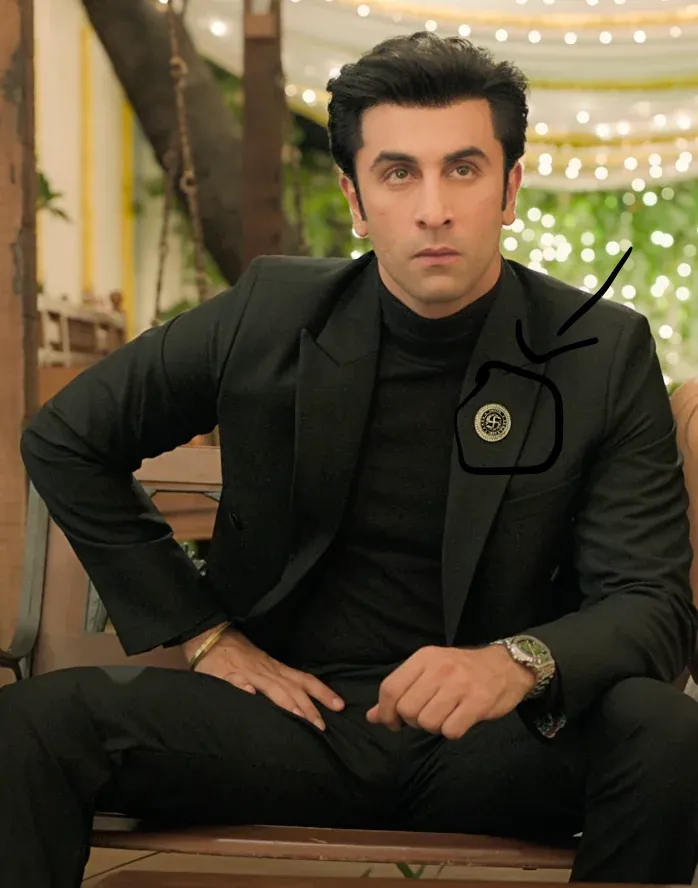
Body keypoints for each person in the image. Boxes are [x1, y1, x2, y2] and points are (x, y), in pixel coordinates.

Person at [3, 31, 698, 887]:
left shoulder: (598, 350)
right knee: (34, 723)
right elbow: (66, 437)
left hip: (494, 741)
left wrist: (515, 663)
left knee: (666, 732)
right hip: (288, 723)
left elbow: (651, 604)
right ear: (356, 198)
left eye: (463, 169)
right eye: (399, 172)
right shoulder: (270, 313)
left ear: (510, 188)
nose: (434, 208)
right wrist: (205, 633)